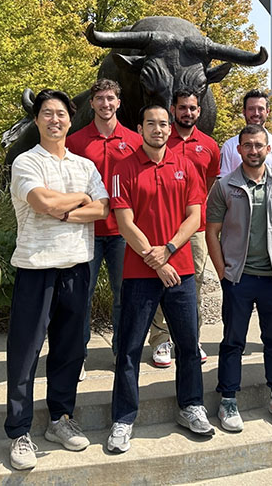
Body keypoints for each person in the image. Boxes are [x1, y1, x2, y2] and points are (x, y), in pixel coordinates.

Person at [6, 89, 109, 470]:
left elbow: (103, 208)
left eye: (61, 114)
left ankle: (60, 419)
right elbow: (41, 203)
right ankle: (18, 431)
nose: (54, 120)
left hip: (77, 266)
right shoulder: (25, 162)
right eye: (47, 113)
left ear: (70, 119)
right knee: (25, 353)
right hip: (36, 267)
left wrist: (67, 207)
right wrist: (78, 200)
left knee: (69, 350)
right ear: (37, 120)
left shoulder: (84, 165)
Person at [107, 104, 212, 453]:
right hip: (139, 273)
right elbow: (124, 223)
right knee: (130, 348)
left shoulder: (187, 166)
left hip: (179, 270)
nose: (158, 129)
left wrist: (167, 250)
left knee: (187, 343)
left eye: (163, 124)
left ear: (170, 129)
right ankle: (123, 419)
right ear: (140, 128)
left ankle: (191, 406)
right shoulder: (123, 169)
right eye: (150, 123)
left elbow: (194, 216)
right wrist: (155, 261)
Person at [206, 124, 272, 432]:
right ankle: (228, 400)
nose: (253, 150)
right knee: (233, 340)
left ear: (268, 149)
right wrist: (223, 272)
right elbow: (212, 232)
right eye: (247, 145)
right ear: (238, 149)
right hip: (239, 277)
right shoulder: (225, 185)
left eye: (259, 145)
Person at [65, 79, 142, 362]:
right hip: (86, 231)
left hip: (124, 232)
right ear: (92, 103)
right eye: (100, 99)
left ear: (118, 103)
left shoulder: (135, 142)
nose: (105, 104)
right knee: (80, 297)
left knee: (124, 295)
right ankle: (78, 354)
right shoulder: (75, 141)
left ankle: (122, 351)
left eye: (111, 98)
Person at [148, 90, 221, 368]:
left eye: (192, 108)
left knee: (196, 283)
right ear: (172, 109)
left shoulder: (210, 146)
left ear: (199, 111)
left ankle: (191, 338)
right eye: (182, 108)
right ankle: (161, 340)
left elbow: (210, 180)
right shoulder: (163, 140)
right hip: (162, 224)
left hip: (197, 227)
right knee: (160, 282)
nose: (187, 113)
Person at [218, 90, 272, 179]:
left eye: (260, 109)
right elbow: (223, 181)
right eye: (251, 109)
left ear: (267, 111)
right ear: (244, 112)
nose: (256, 113)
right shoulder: (229, 146)